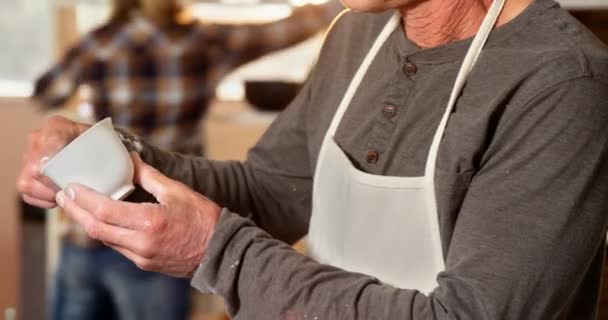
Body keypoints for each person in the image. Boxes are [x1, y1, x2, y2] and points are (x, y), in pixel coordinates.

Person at [18, 0, 608, 318]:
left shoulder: (559, 80)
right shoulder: (357, 34)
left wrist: (214, 251)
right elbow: (275, 190)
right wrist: (116, 159)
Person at [32, 0, 342, 319]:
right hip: (159, 236)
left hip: (87, 231)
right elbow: (285, 31)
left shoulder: (102, 43)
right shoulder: (205, 43)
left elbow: (47, 92)